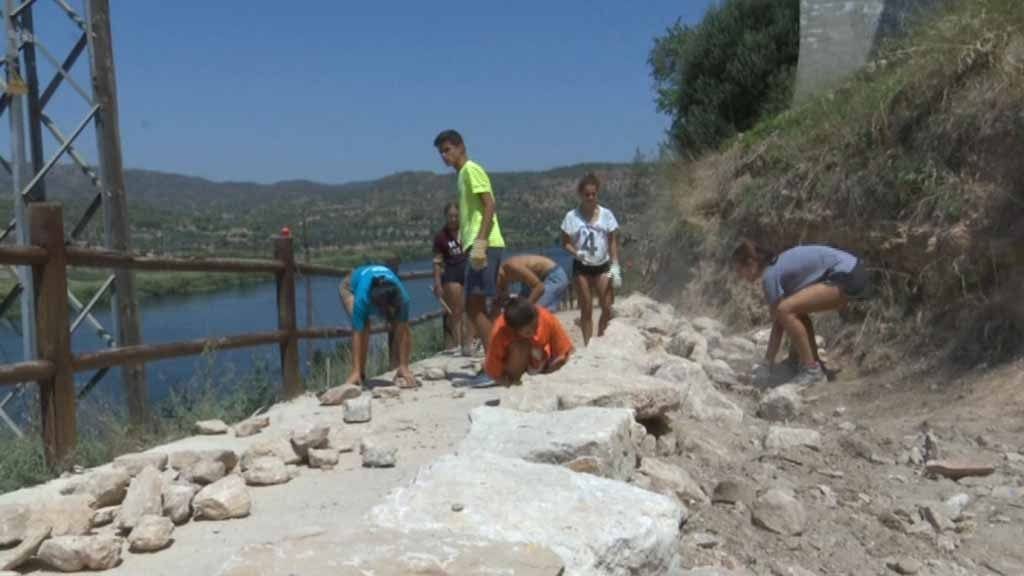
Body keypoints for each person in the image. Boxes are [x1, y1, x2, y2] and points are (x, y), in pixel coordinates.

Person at [732, 240, 869, 387]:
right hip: (855, 270)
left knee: (784, 309)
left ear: (751, 264)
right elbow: (786, 321)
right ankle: (811, 364)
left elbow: (779, 323)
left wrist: (766, 364)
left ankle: (811, 371)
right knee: (794, 310)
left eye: (740, 270)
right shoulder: (776, 267)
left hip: (846, 276)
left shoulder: (769, 276)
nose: (740, 276)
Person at [433, 129, 506, 354]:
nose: (444, 156)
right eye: (441, 152)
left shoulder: (471, 170)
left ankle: (495, 359)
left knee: (474, 307)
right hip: (477, 246)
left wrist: (480, 245)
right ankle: (494, 359)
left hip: (483, 245)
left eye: (447, 150)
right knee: (475, 306)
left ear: (461, 146)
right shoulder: (462, 175)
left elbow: (490, 204)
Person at [561, 173, 621, 345]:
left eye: (593, 194)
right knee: (586, 308)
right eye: (587, 194)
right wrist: (576, 252)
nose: (590, 198)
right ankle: (588, 343)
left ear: (597, 194)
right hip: (582, 266)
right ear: (581, 195)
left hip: (602, 265)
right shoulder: (571, 217)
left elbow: (612, 242)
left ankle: (601, 339)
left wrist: (615, 266)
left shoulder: (607, 215)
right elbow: (564, 243)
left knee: (607, 306)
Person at [338, 264, 417, 389]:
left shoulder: (403, 299)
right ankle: (358, 373)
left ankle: (403, 366)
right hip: (351, 286)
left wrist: (404, 366)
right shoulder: (362, 298)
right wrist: (355, 371)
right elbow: (357, 332)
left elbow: (403, 330)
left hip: (375, 282)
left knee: (401, 324)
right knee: (363, 325)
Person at [484, 298, 574, 386]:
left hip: (541, 361)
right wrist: (509, 383)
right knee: (521, 346)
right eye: (528, 332)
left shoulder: (545, 316)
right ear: (515, 330)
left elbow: (565, 351)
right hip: (514, 364)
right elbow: (494, 372)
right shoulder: (500, 331)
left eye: (536, 326)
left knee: (562, 359)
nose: (534, 333)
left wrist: (548, 374)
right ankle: (516, 383)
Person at [432, 203, 474, 355]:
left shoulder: (467, 231)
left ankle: (469, 340)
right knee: (455, 310)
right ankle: (457, 343)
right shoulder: (440, 237)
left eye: (456, 216)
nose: (453, 219)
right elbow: (437, 261)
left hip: (468, 270)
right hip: (451, 272)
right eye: (450, 216)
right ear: (445, 217)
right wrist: (437, 282)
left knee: (470, 308)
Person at [496, 254, 570, 312]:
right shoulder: (502, 276)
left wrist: (527, 306)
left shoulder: (512, 267)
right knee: (519, 309)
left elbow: (539, 287)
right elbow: (504, 297)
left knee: (536, 310)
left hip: (553, 275)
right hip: (536, 280)